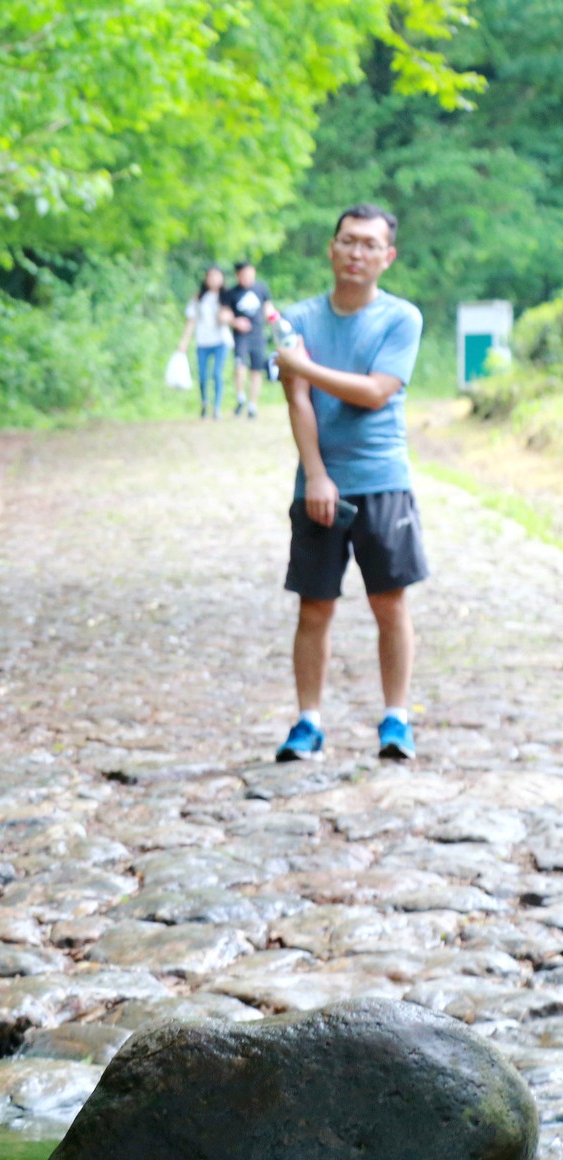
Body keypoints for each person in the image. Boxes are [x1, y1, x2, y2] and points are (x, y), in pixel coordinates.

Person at [272, 203, 426, 763]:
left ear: (387, 257)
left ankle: (397, 719)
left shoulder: (400, 318)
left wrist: (300, 365)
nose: (356, 252)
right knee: (315, 608)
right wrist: (315, 473)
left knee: (390, 604)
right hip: (317, 483)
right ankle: (308, 722)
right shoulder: (300, 319)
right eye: (347, 241)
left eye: (368, 244)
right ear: (331, 248)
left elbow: (375, 392)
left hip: (384, 479)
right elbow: (297, 401)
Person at [176, 267, 232, 418]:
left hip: (221, 341)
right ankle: (204, 404)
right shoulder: (198, 298)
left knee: (216, 373)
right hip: (203, 341)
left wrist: (226, 317)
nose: (214, 279)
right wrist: (184, 342)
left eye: (217, 276)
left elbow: (232, 318)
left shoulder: (227, 297)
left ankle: (217, 407)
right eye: (211, 276)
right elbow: (191, 321)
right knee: (202, 375)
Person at [221, 260, 273, 417]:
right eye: (245, 274)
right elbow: (224, 314)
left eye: (251, 273)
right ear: (238, 275)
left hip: (258, 335)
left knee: (257, 370)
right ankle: (240, 396)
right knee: (240, 366)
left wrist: (276, 323)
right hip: (241, 336)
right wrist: (234, 322)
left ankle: (253, 405)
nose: (248, 277)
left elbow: (268, 309)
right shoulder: (231, 293)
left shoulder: (261, 289)